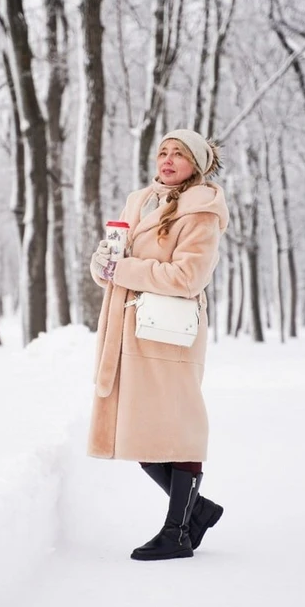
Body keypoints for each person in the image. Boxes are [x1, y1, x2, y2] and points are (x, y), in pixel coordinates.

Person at [88, 128, 229, 561]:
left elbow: (188, 278)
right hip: (128, 330)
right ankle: (196, 511)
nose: (167, 160)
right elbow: (108, 261)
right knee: (142, 437)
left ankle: (178, 532)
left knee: (174, 432)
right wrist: (104, 264)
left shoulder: (201, 209)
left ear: (197, 164)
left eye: (179, 154)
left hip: (169, 335)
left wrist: (123, 269)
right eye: (163, 152)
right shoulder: (140, 200)